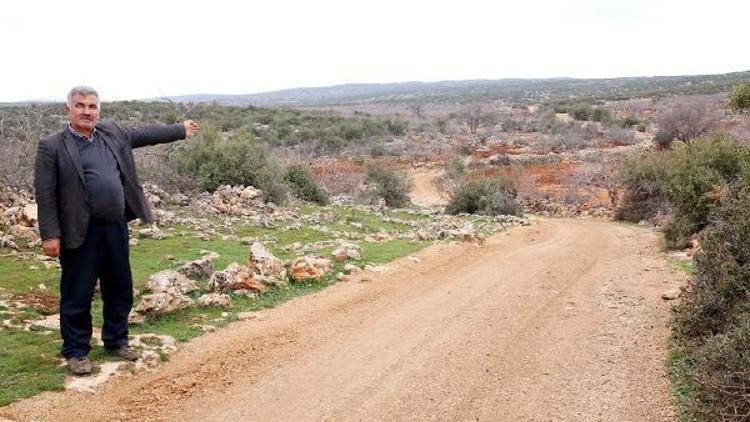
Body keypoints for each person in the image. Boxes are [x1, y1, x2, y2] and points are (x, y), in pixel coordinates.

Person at [34, 86, 200, 375]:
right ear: (68, 110)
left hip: (115, 227)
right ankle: (75, 350)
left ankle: (116, 340)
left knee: (119, 287)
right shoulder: (52, 146)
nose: (87, 111)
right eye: (81, 106)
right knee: (78, 292)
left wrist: (179, 129)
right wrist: (50, 235)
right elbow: (45, 194)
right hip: (79, 231)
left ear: (99, 109)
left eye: (92, 106)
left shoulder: (111, 133)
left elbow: (145, 134)